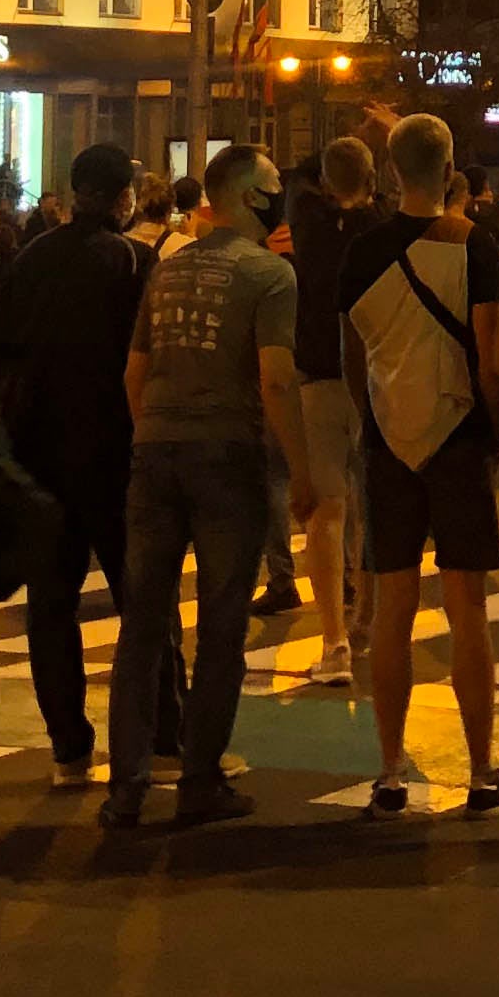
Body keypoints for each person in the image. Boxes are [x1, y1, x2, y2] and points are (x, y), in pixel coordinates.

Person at [107, 142, 312, 832]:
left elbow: (135, 375)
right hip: (226, 454)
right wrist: (303, 471)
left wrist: (152, 434)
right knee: (221, 625)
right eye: (275, 183)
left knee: (142, 624)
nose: (282, 194)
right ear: (251, 197)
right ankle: (199, 778)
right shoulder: (270, 277)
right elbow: (277, 378)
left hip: (155, 451)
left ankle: (126, 786)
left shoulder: (166, 272)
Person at [0, 142, 178, 788]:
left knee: (52, 607)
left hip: (41, 456)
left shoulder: (34, 259)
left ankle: (69, 749)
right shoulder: (131, 262)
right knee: (143, 600)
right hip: (115, 454)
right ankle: (162, 735)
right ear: (124, 197)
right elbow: (149, 356)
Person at [339, 113, 499, 817]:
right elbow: (485, 349)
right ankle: (481, 770)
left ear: (392, 172)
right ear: (449, 172)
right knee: (466, 608)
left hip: (388, 436)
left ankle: (390, 771)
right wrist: (496, 425)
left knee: (392, 607)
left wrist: (372, 417)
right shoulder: (471, 245)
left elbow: (353, 348)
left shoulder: (362, 251)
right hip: (457, 432)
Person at [286, 137, 384, 686]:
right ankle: (367, 616)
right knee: (371, 503)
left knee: (326, 510)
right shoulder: (380, 229)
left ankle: (333, 640)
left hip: (319, 371)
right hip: (373, 376)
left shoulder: (308, 223)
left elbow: (299, 176)